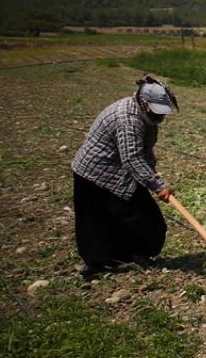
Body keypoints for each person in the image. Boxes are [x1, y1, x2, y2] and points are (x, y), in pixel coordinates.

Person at [71, 75, 178, 281]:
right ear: (144, 103)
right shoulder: (127, 118)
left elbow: (144, 151)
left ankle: (131, 254)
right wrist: (157, 185)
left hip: (118, 172)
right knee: (96, 221)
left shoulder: (145, 117)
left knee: (147, 221)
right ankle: (98, 263)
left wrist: (151, 175)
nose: (161, 116)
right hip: (93, 172)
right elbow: (132, 158)